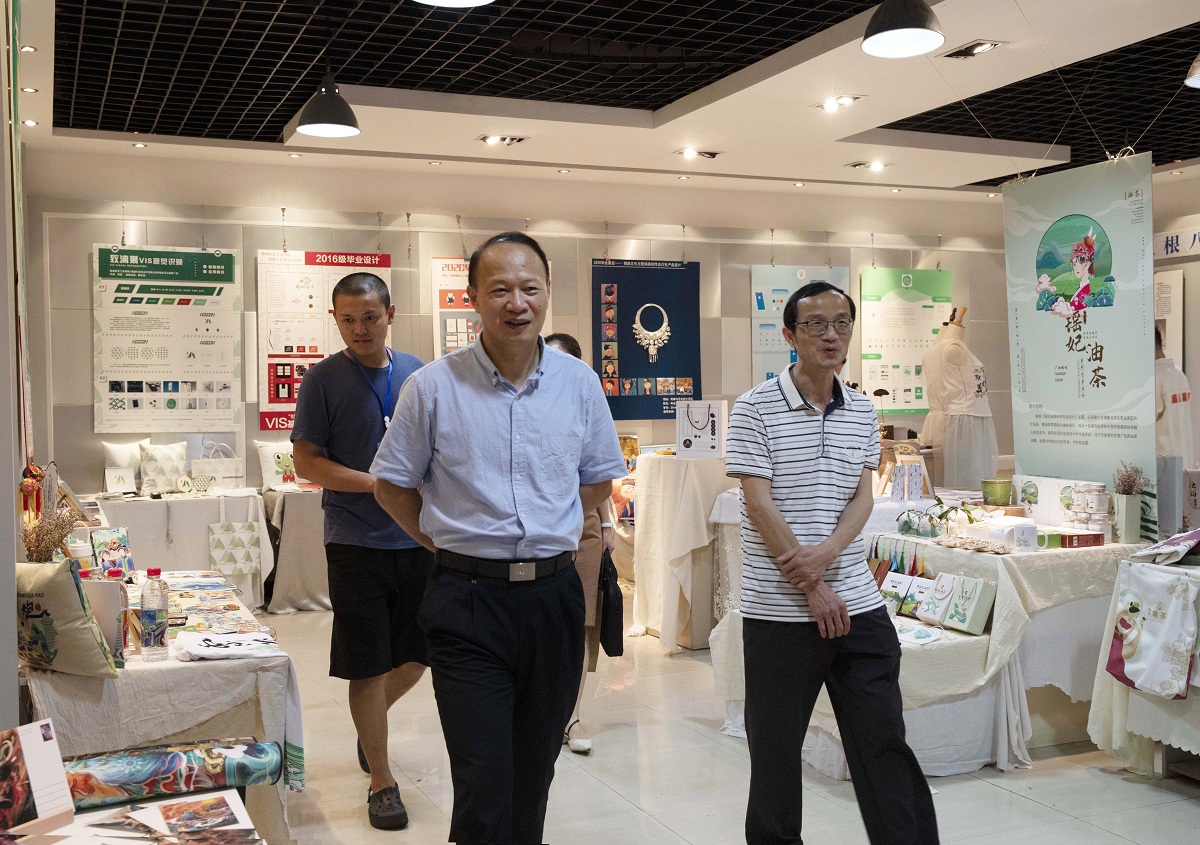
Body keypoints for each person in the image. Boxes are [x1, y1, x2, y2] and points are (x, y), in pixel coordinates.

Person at [372, 232, 627, 845]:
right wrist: (443, 542)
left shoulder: (578, 383)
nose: (517, 303)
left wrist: (549, 519)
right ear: (473, 298)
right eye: (500, 290)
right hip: (467, 600)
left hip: (553, 597)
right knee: (483, 781)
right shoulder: (432, 387)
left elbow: (598, 478)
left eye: (530, 288)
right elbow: (392, 486)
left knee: (534, 773)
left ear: (548, 292)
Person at [726, 281, 938, 845]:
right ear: (790, 334)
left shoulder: (863, 410)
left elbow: (862, 498)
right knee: (775, 760)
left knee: (884, 746)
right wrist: (813, 587)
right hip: (779, 613)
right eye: (816, 324)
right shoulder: (753, 408)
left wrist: (827, 555)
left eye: (842, 323)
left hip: (859, 606)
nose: (831, 335)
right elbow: (759, 503)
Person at [290, 271, 431, 831]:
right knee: (367, 663)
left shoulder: (418, 373)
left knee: (419, 655)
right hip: (354, 540)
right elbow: (306, 462)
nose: (359, 329)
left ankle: (369, 727)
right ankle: (382, 780)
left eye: (369, 317)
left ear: (390, 314)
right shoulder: (322, 379)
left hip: (416, 537)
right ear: (335, 320)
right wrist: (377, 485)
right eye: (347, 320)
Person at [545, 331, 616, 755]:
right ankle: (543, 713)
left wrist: (606, 525)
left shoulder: (586, 397)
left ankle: (571, 716)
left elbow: (599, 472)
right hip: (537, 530)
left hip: (583, 524)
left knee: (581, 622)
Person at [1155, 323, 1194, 467]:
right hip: (1185, 458)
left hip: (1164, 464)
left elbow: (1144, 423)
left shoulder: (1155, 377)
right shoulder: (1178, 374)